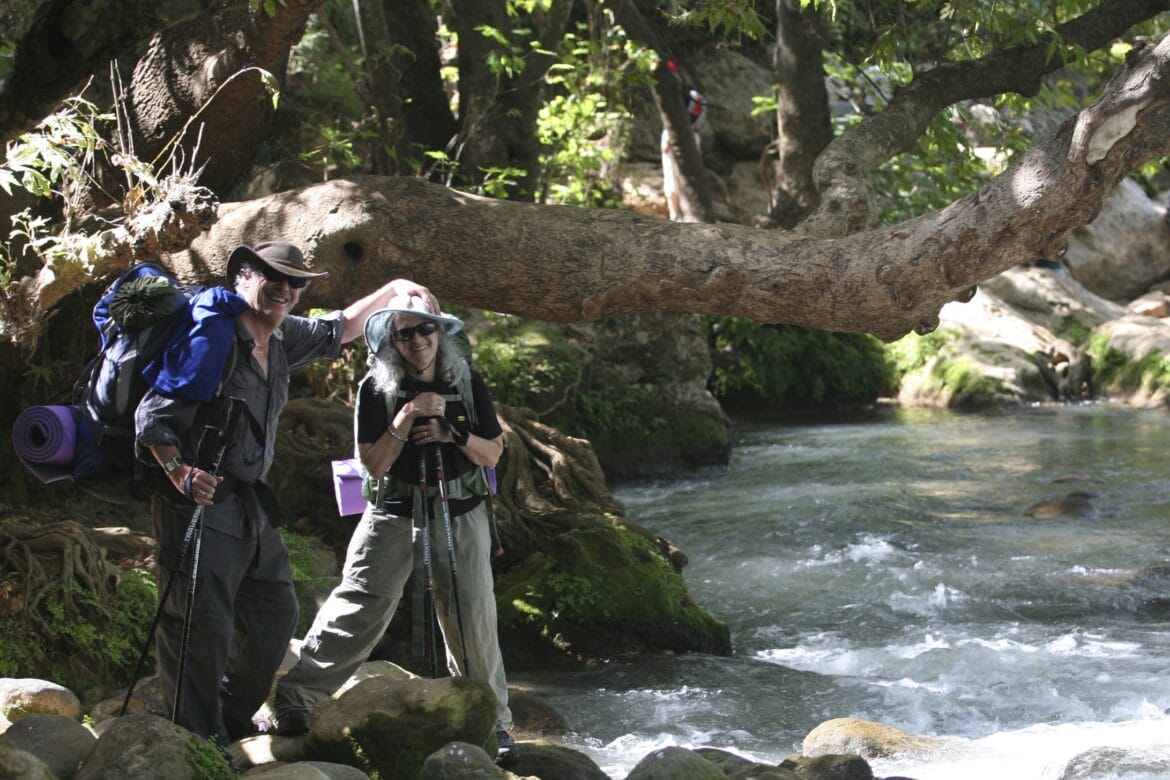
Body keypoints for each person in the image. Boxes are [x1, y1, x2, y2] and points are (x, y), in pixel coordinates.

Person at [134, 240, 435, 746]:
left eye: (296, 283)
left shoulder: (281, 337)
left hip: (250, 503)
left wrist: (392, 290)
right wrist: (181, 473)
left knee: (277, 613)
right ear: (243, 278)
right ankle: (196, 738)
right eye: (275, 279)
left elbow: (340, 327)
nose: (288, 290)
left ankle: (228, 720)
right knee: (200, 624)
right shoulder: (212, 338)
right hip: (197, 505)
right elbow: (152, 418)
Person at [272, 293, 518, 764]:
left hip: (460, 510)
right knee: (362, 602)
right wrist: (406, 418)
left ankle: (491, 722)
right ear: (391, 339)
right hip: (394, 510)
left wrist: (452, 430)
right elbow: (374, 464)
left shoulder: (467, 382)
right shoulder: (375, 389)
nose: (417, 340)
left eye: (425, 329)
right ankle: (298, 699)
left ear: (440, 333)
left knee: (472, 614)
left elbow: (491, 453)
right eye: (404, 332)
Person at [661, 59, 708, 222]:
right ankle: (675, 214)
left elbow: (697, 117)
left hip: (685, 136)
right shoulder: (666, 94)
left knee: (686, 175)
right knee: (671, 174)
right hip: (677, 135)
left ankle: (684, 213)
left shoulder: (691, 97)